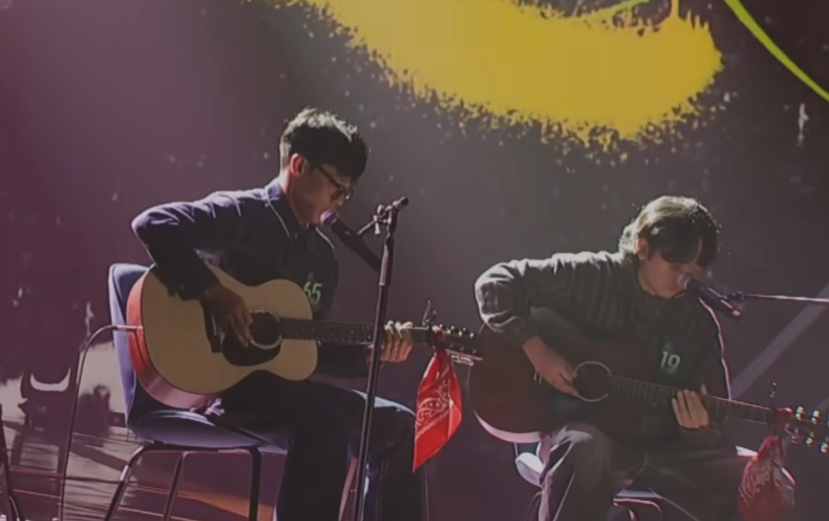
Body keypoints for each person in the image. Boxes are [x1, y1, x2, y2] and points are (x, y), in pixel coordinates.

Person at [112, 108, 424, 521]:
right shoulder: (243, 214)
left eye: (346, 195)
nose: (339, 202)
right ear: (299, 165)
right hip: (229, 392)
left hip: (287, 394)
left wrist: (371, 354)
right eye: (336, 188)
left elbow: (307, 353)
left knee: (401, 427)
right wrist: (213, 292)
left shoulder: (323, 258)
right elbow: (154, 223)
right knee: (323, 427)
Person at [473, 196, 793, 521]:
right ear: (643, 247)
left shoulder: (698, 324)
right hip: (589, 442)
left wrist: (699, 429)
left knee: (764, 484)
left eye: (692, 274)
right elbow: (495, 284)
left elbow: (717, 422)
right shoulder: (593, 276)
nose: (682, 282)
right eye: (675, 268)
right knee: (585, 447)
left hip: (664, 452)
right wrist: (536, 349)